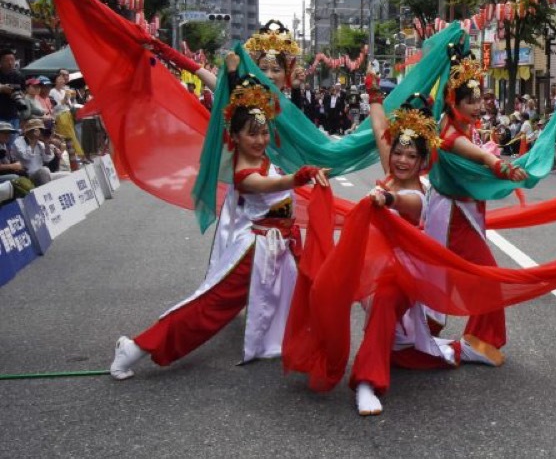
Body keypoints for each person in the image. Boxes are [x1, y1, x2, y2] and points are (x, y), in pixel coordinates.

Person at [109, 76, 330, 380]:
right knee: (209, 307)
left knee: (309, 293)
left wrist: (227, 74)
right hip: (256, 252)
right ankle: (135, 348)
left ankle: (304, 347)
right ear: (235, 137)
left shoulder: (260, 157)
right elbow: (271, 184)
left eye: (264, 132)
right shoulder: (244, 171)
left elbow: (226, 95)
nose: (261, 139)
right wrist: (297, 178)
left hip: (281, 247)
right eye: (252, 134)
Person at [350, 92, 460, 416]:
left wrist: (386, 200)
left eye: (410, 156)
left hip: (405, 279)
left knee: (385, 299)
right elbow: (379, 127)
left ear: (422, 160)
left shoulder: (416, 194)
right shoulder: (391, 173)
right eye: (397, 152)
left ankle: (366, 381)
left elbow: (406, 205)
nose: (401, 160)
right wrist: (372, 96)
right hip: (372, 267)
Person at [426, 48, 528, 366]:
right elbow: (483, 158)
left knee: (467, 276)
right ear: (452, 102)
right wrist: (505, 170)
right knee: (484, 276)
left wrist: (458, 54)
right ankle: (474, 340)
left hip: (461, 211)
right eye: (469, 101)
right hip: (452, 216)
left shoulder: (457, 126)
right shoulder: (450, 134)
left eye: (479, 99)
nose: (476, 106)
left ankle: (474, 338)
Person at [12, 118, 61, 185]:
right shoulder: (18, 142)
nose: (41, 132)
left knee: (67, 176)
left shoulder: (40, 143)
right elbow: (26, 156)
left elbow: (48, 158)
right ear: (31, 131)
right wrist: (34, 140)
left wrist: (46, 143)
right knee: (44, 171)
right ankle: (47, 193)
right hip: (29, 176)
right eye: (40, 130)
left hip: (44, 174)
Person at [0, 49, 24, 131]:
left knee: (13, 141)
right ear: (1, 62)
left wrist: (19, 94)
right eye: (7, 60)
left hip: (13, 114)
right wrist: (2, 88)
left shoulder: (18, 75)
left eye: (12, 60)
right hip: (1, 114)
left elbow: (23, 91)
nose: (10, 63)